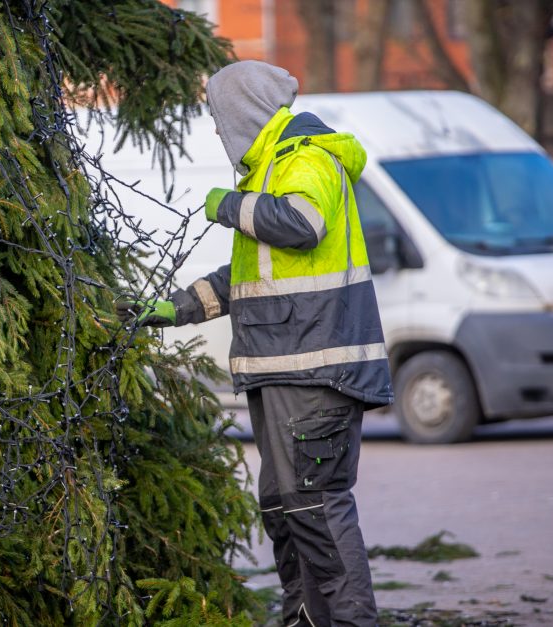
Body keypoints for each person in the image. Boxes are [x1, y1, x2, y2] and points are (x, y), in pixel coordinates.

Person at [117, 60, 392, 626]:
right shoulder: (267, 173)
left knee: (315, 507)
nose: (217, 130)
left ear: (243, 111)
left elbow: (302, 222)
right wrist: (176, 307)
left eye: (218, 117)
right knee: (285, 510)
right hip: (286, 370)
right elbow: (245, 280)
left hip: (317, 373)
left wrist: (227, 205)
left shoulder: (306, 158)